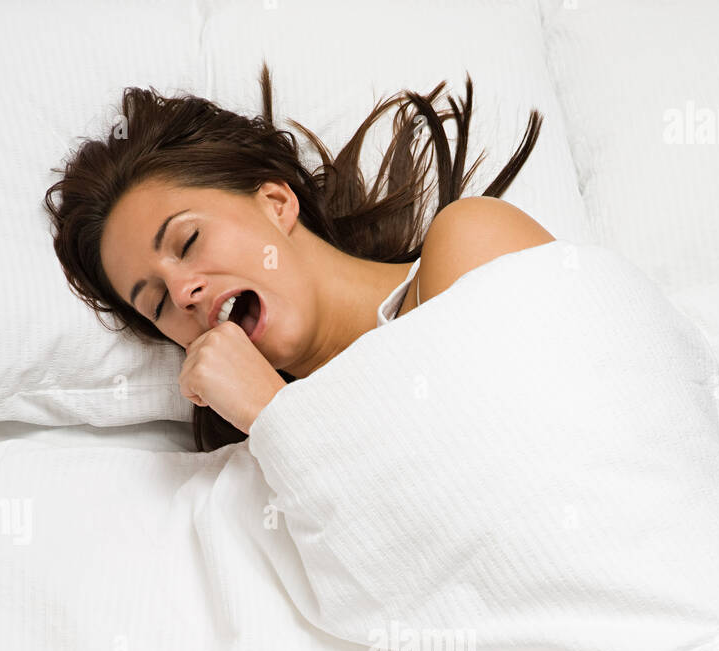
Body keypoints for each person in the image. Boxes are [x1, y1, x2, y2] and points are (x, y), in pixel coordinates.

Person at [44, 64, 555, 451]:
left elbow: (501, 475)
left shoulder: (471, 244)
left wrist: (274, 414)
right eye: (156, 304)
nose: (183, 294)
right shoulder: (259, 463)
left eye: (188, 241)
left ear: (276, 204)